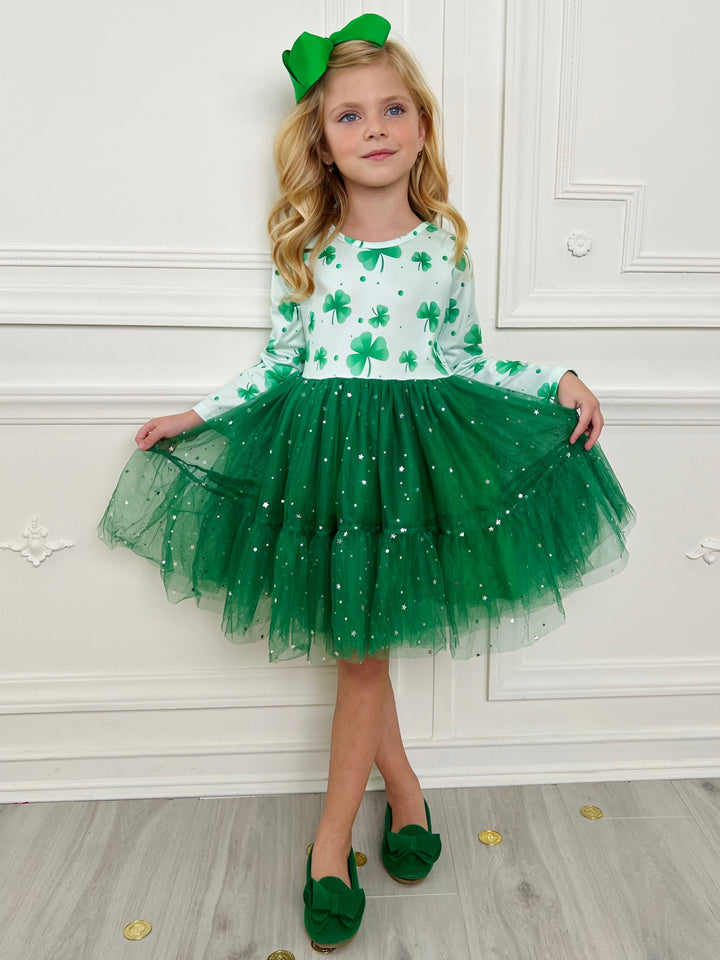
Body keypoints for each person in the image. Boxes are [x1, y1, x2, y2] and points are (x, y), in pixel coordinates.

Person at [98, 13, 635, 951]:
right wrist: (198, 414)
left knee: (363, 653)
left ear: (422, 126)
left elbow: (465, 357)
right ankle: (387, 805)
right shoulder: (307, 247)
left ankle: (337, 836)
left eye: (393, 109)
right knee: (363, 654)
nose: (375, 128)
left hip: (416, 464)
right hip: (326, 468)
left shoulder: (445, 246)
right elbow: (282, 360)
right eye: (349, 115)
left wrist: (557, 377)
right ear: (321, 142)